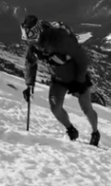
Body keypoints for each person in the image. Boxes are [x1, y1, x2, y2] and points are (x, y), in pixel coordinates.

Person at [19, 14, 101, 146]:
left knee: (86, 108)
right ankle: (71, 129)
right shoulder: (34, 45)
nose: (31, 42)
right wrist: (29, 85)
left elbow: (80, 58)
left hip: (75, 76)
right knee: (55, 107)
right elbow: (30, 62)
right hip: (58, 78)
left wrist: (80, 81)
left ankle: (95, 132)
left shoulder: (59, 38)